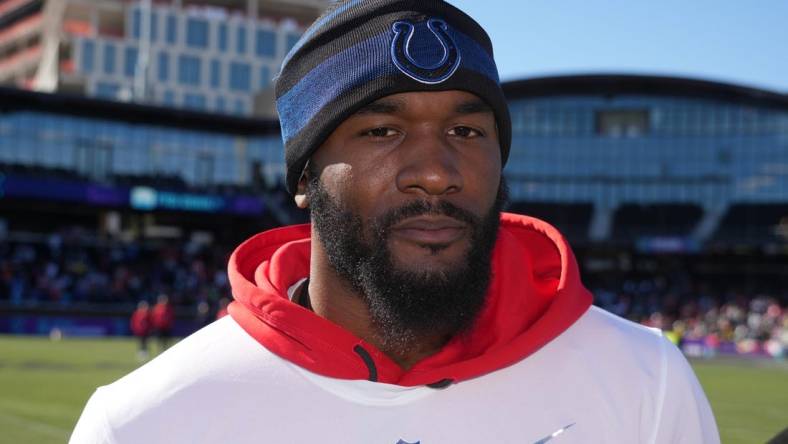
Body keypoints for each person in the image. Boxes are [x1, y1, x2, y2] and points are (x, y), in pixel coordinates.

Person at [70, 1, 720, 443]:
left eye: (467, 129)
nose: (436, 171)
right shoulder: (144, 425)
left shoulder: (644, 386)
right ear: (303, 177)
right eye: (381, 130)